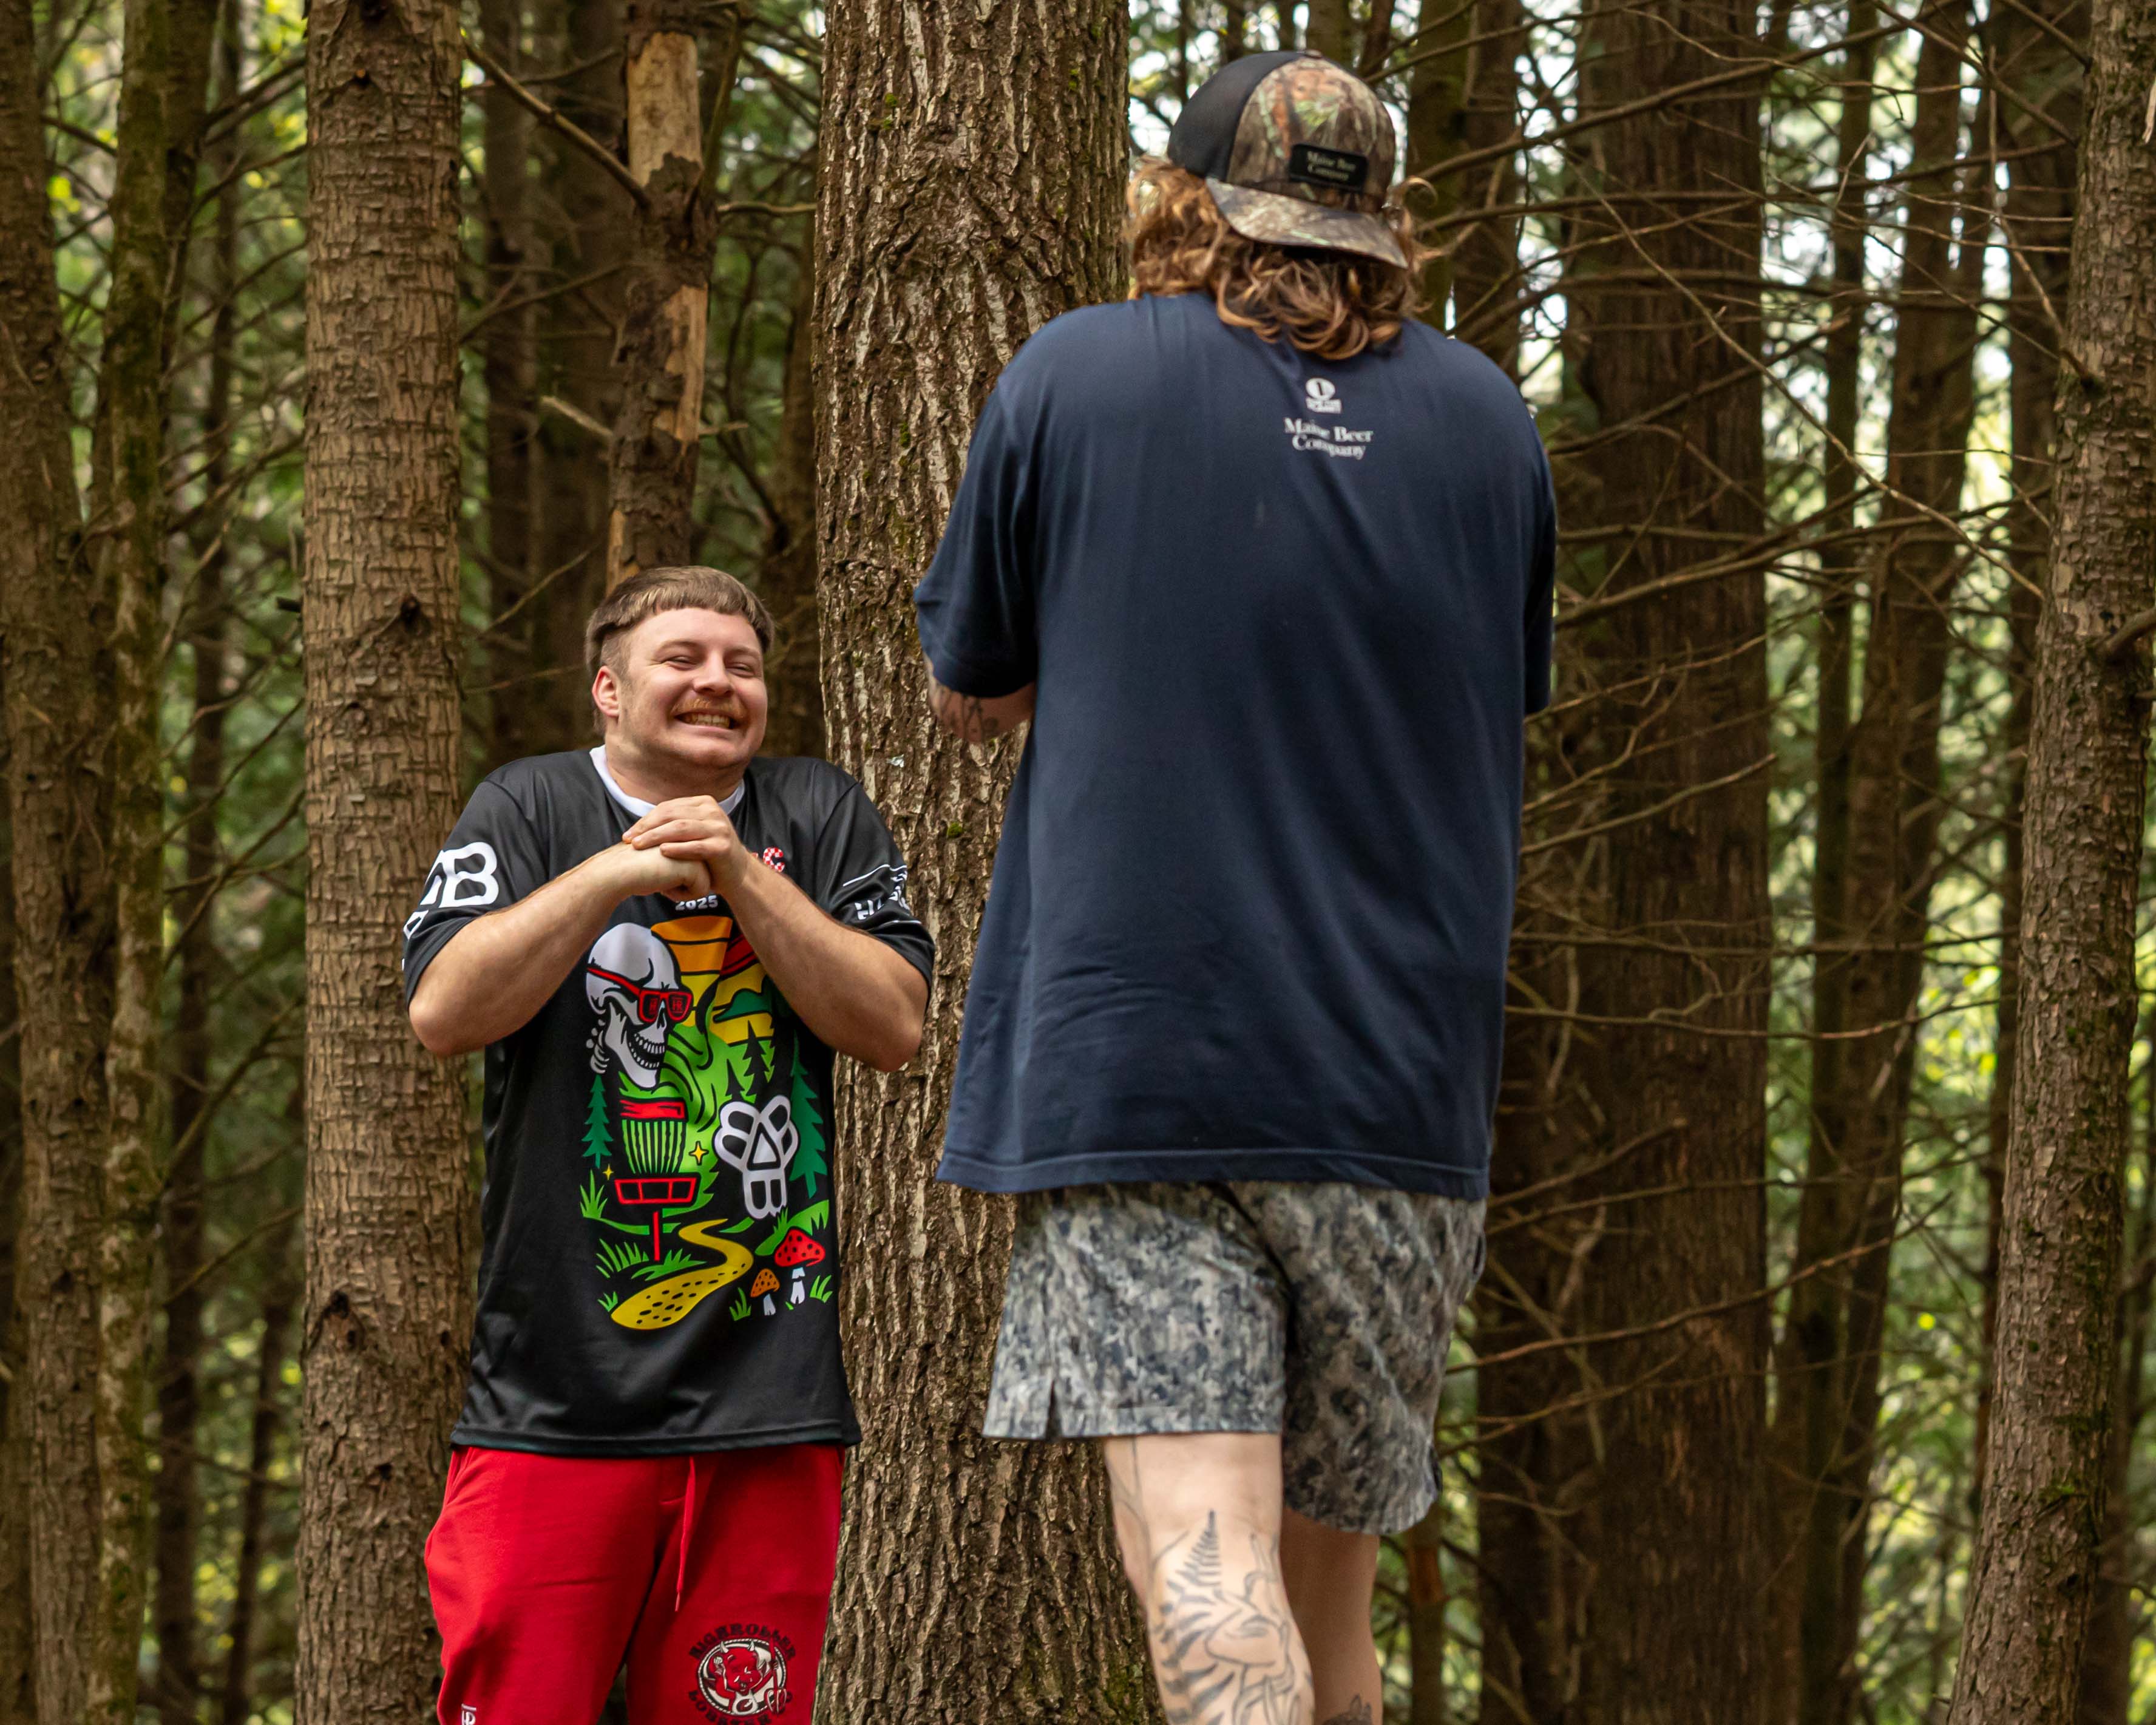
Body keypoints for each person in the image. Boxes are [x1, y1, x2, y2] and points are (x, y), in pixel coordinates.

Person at [913, 50, 1556, 1725]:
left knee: (1208, 1559)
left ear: (1189, 202)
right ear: (1383, 224)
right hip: (1398, 1088)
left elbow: (970, 683)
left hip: (1147, 1065)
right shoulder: (1490, 422)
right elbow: (1490, 685)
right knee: (1332, 1630)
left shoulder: (1078, 372)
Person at [403, 566, 932, 1725]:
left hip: (768, 1400)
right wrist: (614, 871)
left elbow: (895, 1024)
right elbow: (444, 1008)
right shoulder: (527, 805)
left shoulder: (816, 810)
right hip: (551, 1399)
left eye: (743, 664)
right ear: (607, 688)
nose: (718, 682)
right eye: (682, 659)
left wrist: (738, 872)